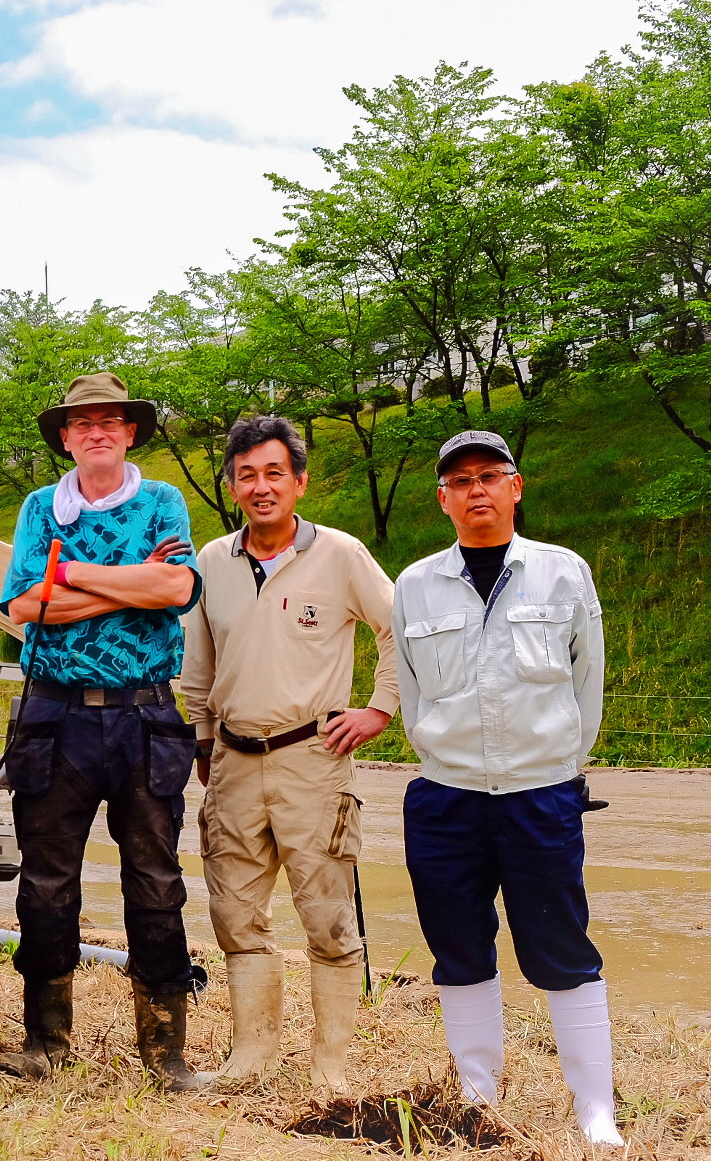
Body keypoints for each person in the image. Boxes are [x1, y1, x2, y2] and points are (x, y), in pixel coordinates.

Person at [394, 430, 619, 1148]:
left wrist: (556, 766)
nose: (477, 490)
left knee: (563, 947)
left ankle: (595, 1112)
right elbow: (411, 688)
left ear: (516, 487)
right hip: (447, 795)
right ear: (443, 500)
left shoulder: (562, 573)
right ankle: (477, 1101)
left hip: (540, 795)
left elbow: (588, 684)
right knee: (458, 949)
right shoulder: (415, 585)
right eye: (460, 481)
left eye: (490, 475)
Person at [0, 373, 204, 1091]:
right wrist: (127, 580)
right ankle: (45, 1041)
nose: (97, 432)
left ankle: (165, 1051)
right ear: (65, 436)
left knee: (155, 879)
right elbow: (24, 608)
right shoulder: (36, 507)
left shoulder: (163, 501)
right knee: (47, 882)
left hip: (146, 713)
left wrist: (73, 573)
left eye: (110, 420)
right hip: (54, 714)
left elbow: (176, 590)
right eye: (82, 423)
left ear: (131, 431)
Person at [177, 416, 399, 1094]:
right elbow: (197, 669)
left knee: (328, 916)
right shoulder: (212, 562)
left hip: (315, 757)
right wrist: (203, 744)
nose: (261, 486)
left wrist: (378, 710)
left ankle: (328, 1068)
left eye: (275, 472)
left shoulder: (340, 555)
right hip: (234, 763)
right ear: (232, 485)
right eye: (247, 474)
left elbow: (401, 632)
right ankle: (251, 1059)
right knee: (237, 916)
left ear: (299, 481)